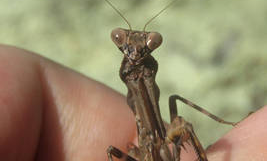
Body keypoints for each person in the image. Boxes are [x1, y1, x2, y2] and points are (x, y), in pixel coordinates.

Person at [0, 44, 266, 161]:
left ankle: (226, 123)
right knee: (114, 150)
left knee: (179, 116)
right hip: (146, 149)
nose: (136, 55)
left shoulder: (146, 73)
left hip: (160, 144)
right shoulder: (130, 73)